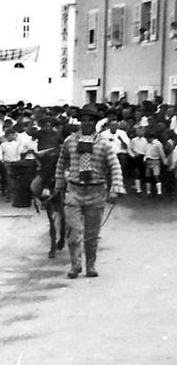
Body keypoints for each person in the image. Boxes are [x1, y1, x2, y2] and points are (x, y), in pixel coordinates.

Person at [55, 103, 124, 279]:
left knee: (92, 234)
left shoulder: (104, 144)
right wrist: (59, 182)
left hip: (96, 191)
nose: (86, 124)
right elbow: (62, 161)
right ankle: (75, 264)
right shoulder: (70, 141)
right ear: (79, 122)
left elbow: (115, 165)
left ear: (95, 123)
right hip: (74, 190)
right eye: (83, 120)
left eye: (90, 121)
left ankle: (90, 264)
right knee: (73, 231)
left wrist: (115, 188)